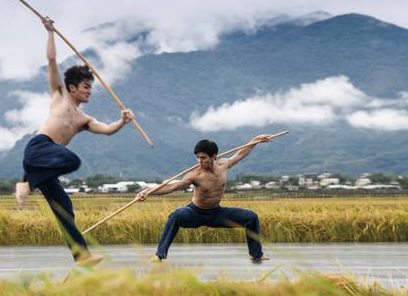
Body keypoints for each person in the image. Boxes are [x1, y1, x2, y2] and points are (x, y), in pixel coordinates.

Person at [18, 16, 135, 266]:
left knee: (66, 209)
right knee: (72, 159)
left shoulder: (84, 119)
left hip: (47, 165)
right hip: (39, 149)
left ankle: (81, 257)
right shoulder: (59, 95)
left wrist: (123, 121)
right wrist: (49, 32)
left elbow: (106, 130)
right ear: (72, 88)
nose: (89, 91)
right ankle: (28, 184)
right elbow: (51, 61)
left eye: (91, 88)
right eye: (85, 87)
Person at [136, 135, 272, 262]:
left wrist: (257, 139)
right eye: (197, 157)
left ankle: (256, 254)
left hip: (217, 213)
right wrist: (148, 192)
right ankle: (159, 254)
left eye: (203, 158)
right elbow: (171, 187)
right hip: (195, 213)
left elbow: (241, 153)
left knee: (251, 217)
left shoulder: (224, 165)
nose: (199, 161)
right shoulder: (195, 176)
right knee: (176, 216)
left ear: (214, 156)